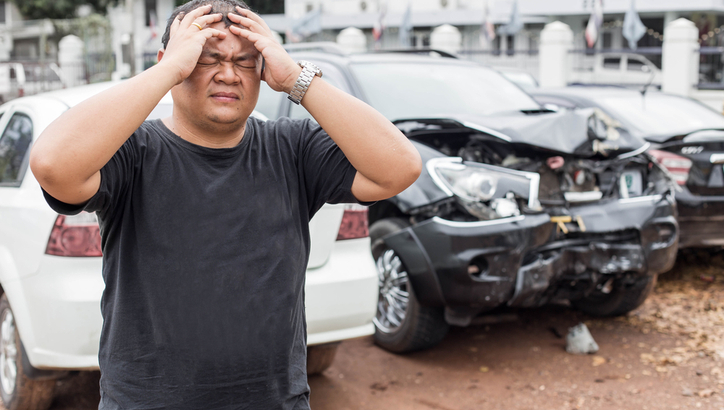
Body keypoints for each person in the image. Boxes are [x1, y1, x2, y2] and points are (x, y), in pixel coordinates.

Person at [29, 0, 421, 408]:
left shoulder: (292, 149)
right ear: (173, 60)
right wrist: (166, 71)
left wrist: (296, 80)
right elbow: (54, 165)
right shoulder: (133, 152)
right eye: (206, 58)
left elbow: (399, 168)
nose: (229, 74)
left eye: (246, 61)